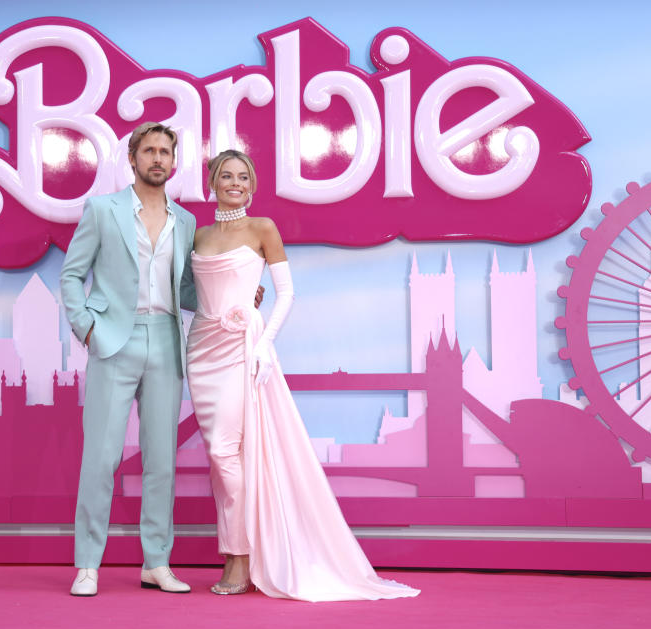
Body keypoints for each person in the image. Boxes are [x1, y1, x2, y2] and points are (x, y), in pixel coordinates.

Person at [186, 150, 421, 602]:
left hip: (242, 348)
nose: (235, 183)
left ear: (251, 185)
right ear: (212, 182)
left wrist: (263, 342)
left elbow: (288, 292)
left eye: (243, 177)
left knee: (224, 452)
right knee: (223, 460)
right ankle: (240, 548)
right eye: (227, 176)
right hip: (202, 350)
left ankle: (239, 555)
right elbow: (199, 294)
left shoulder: (263, 229)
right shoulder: (198, 236)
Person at [60, 122, 196, 597]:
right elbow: (72, 276)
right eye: (149, 151)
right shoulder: (102, 210)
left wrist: (244, 291)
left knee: (161, 460)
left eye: (165, 151)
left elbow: (190, 289)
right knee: (101, 457)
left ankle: (156, 561)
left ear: (173, 162)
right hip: (113, 339)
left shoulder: (187, 221)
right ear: (133, 159)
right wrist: (87, 328)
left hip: (165, 339)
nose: (158, 158)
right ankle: (88, 564)